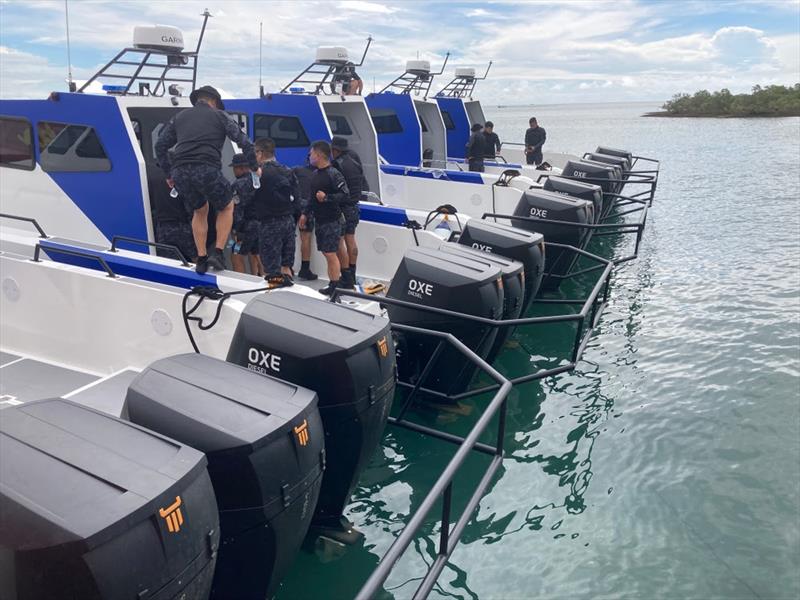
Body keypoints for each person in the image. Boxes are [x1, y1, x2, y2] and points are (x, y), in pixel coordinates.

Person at [155, 84, 260, 273]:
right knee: (227, 205)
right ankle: (218, 254)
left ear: (197, 100)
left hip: (181, 172)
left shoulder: (179, 117)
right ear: (214, 102)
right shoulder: (220, 116)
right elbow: (245, 143)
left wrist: (169, 174)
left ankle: (201, 257)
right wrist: (254, 167)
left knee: (200, 209)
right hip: (206, 168)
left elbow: (160, 145)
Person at [304, 140, 349, 296]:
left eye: (311, 154)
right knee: (326, 252)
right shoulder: (315, 175)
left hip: (332, 220)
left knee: (331, 253)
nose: (309, 156)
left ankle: (335, 285)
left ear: (318, 155)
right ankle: (333, 283)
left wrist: (327, 198)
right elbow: (311, 198)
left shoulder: (334, 174)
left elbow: (345, 194)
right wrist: (305, 214)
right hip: (320, 219)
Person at [252, 138, 298, 288]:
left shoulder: (260, 174)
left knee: (271, 270)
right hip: (288, 222)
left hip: (269, 224)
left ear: (260, 153)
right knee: (286, 265)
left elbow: (249, 196)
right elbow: (297, 198)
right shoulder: (288, 170)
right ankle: (289, 292)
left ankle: (274, 298)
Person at [331, 136, 365, 289]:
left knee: (339, 242)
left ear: (335, 150)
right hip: (354, 206)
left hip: (343, 207)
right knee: (351, 239)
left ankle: (345, 276)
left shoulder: (337, 164)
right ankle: (353, 271)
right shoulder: (355, 160)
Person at [147, 161, 196, 262]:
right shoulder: (181, 177)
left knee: (170, 262)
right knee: (197, 259)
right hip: (182, 226)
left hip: (163, 228)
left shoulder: (153, 178)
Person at [229, 153, 263, 276]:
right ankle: (264, 282)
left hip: (245, 227)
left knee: (236, 254)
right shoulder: (259, 180)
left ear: (241, 168)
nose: (234, 171)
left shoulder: (237, 185)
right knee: (257, 254)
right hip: (261, 223)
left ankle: (240, 282)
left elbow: (237, 209)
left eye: (235, 168)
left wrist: (236, 229)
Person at [292, 155, 318, 281]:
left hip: (293, 205)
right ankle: (305, 268)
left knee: (289, 237)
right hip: (307, 207)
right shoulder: (319, 175)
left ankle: (286, 267)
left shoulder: (297, 170)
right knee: (305, 238)